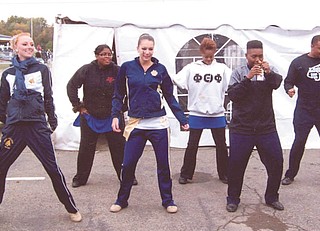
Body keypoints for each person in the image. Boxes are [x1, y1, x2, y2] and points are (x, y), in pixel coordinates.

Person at [0, 32, 81, 222]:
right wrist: (7, 124)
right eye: (25, 44)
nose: (29, 47)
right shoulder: (8, 74)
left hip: (36, 126)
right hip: (15, 128)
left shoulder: (42, 69)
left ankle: (71, 208)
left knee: (52, 168)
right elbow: (2, 102)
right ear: (15, 48)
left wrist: (51, 121)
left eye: (31, 44)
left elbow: (48, 97)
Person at [109, 33, 189, 214]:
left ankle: (168, 200)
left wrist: (182, 119)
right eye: (143, 48)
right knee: (128, 164)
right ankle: (122, 200)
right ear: (137, 48)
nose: (147, 52)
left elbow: (169, 96)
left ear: (154, 50)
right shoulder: (127, 68)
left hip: (158, 125)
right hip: (136, 123)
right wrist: (115, 115)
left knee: (163, 165)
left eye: (150, 49)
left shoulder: (160, 69)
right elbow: (118, 94)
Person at [67, 44, 137, 188]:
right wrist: (79, 106)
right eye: (103, 54)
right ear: (97, 56)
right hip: (90, 116)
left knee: (119, 148)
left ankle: (126, 176)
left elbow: (130, 88)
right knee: (86, 148)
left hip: (113, 117)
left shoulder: (118, 70)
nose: (107, 57)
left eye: (109, 54)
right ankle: (80, 178)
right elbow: (71, 86)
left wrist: (123, 108)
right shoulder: (86, 70)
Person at [226, 40, 284, 212]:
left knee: (276, 162)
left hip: (266, 127)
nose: (257, 59)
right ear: (246, 56)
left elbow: (277, 83)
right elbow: (233, 95)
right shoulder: (238, 73)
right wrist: (248, 78)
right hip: (242, 128)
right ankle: (233, 199)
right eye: (254, 56)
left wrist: (268, 72)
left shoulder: (269, 70)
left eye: (260, 56)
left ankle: (272, 196)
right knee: (236, 165)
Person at [172, 37, 229, 185]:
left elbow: (233, 83)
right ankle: (186, 174)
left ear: (215, 53)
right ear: (201, 52)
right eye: (206, 56)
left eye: (211, 56)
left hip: (217, 113)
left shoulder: (222, 69)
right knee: (192, 145)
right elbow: (177, 80)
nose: (209, 59)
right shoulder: (192, 68)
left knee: (221, 145)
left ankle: (225, 174)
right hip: (197, 112)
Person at [281, 35, 320, 185]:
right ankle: (290, 174)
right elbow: (288, 81)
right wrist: (289, 89)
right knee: (299, 142)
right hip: (304, 110)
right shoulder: (299, 63)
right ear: (312, 46)